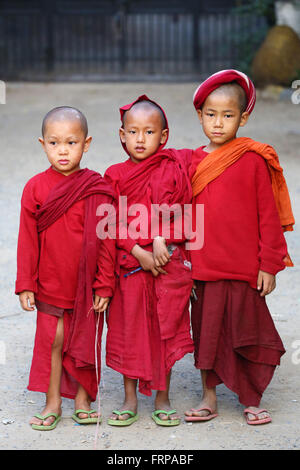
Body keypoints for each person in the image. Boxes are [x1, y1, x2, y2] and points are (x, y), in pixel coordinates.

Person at [184, 69, 295, 425]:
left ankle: (250, 398)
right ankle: (209, 397)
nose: (218, 123)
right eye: (211, 115)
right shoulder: (188, 162)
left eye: (228, 115)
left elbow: (268, 217)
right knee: (207, 335)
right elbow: (175, 211)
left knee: (249, 333)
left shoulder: (252, 160)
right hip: (203, 267)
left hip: (245, 267)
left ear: (244, 117)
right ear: (199, 115)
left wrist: (269, 265)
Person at [15, 106, 116, 430]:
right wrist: (26, 283)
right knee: (53, 342)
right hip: (50, 281)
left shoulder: (96, 188)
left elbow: (106, 242)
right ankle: (53, 402)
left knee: (83, 342)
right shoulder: (35, 188)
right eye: (54, 143)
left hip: (85, 285)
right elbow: (27, 240)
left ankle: (83, 400)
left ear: (86, 144)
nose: (62, 150)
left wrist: (104, 284)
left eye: (71, 143)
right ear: (42, 143)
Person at [104, 95, 194, 426]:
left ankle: (162, 396)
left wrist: (160, 238)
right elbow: (109, 223)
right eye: (134, 132)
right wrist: (137, 251)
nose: (141, 139)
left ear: (164, 136)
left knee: (163, 331)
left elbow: (186, 214)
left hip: (165, 265)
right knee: (129, 331)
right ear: (122, 135)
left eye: (149, 132)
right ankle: (129, 399)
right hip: (130, 268)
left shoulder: (172, 170)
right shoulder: (113, 175)